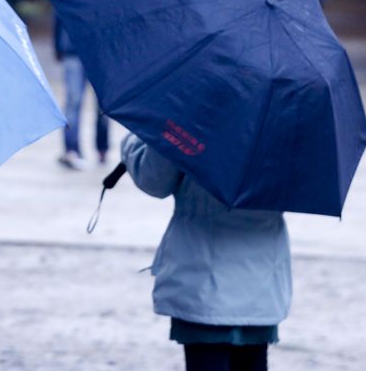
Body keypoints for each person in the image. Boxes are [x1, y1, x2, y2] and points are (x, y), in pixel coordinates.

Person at [120, 134, 291, 371]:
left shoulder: (193, 112)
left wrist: (134, 139)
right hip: (261, 279)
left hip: (202, 276)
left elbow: (154, 179)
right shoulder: (288, 120)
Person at [54, 9, 110, 169]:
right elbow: (59, 14)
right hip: (74, 49)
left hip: (100, 52)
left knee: (103, 105)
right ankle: (71, 149)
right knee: (73, 102)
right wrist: (58, 45)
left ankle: (102, 148)